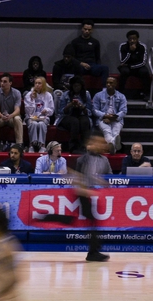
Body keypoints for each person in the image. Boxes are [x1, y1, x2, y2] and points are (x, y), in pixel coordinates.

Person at [75, 131, 112, 262]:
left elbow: (91, 176)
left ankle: (93, 251)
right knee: (92, 223)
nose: (101, 145)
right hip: (82, 193)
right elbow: (75, 175)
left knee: (88, 222)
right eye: (98, 142)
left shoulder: (101, 160)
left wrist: (100, 182)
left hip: (86, 193)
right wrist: (84, 189)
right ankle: (93, 253)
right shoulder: (84, 158)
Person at [55, 76, 92, 153]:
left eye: (78, 86)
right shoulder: (65, 95)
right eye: (75, 86)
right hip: (67, 116)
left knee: (85, 121)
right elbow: (61, 112)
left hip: (81, 115)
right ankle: (73, 147)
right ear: (72, 86)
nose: (76, 87)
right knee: (74, 122)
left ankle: (84, 147)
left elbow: (89, 112)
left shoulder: (86, 95)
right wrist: (69, 105)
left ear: (81, 86)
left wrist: (82, 107)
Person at [92, 76, 126, 152]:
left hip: (116, 119)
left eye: (111, 83)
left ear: (115, 84)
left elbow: (123, 111)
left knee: (116, 132)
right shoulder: (98, 95)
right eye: (107, 83)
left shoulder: (121, 96)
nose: (108, 84)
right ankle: (114, 146)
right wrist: (105, 116)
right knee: (107, 131)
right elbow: (94, 110)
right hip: (103, 119)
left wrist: (114, 117)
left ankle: (112, 146)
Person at [0, 73, 23, 150]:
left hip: (12, 116)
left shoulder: (17, 93)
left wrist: (10, 116)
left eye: (5, 82)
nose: (2, 83)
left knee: (18, 119)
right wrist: (2, 116)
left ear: (10, 83)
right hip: (0, 116)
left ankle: (20, 144)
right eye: (1, 81)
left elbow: (17, 110)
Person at [117, 30, 151, 100]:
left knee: (144, 72)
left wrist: (130, 66)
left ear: (137, 39)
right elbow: (122, 61)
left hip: (137, 67)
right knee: (124, 72)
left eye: (134, 39)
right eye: (130, 39)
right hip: (126, 68)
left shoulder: (142, 46)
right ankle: (120, 93)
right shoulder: (123, 46)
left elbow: (143, 62)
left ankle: (146, 93)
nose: (132, 41)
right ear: (128, 39)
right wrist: (130, 51)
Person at [23, 75, 53, 152]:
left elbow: (52, 110)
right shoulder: (29, 95)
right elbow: (28, 112)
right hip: (31, 117)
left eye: (39, 83)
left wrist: (46, 110)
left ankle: (42, 145)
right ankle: (32, 145)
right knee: (34, 124)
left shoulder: (48, 95)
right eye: (36, 83)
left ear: (43, 84)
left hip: (43, 117)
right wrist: (32, 99)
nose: (37, 85)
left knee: (41, 124)